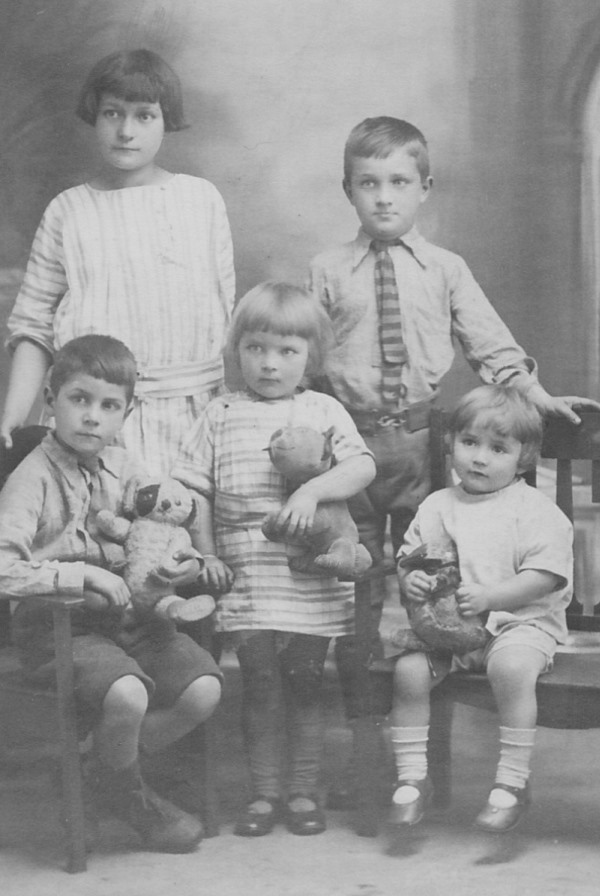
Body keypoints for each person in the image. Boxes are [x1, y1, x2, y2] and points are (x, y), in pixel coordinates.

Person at [308, 115, 597, 807]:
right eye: (368, 183)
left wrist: (535, 393)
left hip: (418, 447)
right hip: (347, 446)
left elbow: (490, 345)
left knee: (423, 589)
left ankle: (423, 760)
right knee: (355, 601)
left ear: (424, 189)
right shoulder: (325, 269)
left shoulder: (445, 270)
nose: (384, 197)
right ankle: (366, 747)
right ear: (347, 189)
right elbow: (302, 360)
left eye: (399, 183)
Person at [0, 335, 222, 853]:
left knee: (204, 690)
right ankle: (128, 791)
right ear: (50, 398)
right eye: (79, 399)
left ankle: (97, 772)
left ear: (127, 411)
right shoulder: (32, 477)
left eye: (109, 405)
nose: (92, 417)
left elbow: (161, 522)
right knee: (128, 692)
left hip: (134, 622)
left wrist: (181, 558)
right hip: (62, 627)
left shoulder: (126, 466)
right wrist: (79, 577)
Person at [172, 282, 376, 837]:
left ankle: (303, 791)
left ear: (311, 355)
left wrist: (310, 494)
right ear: (237, 348)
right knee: (260, 682)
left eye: (287, 351)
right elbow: (198, 495)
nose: (269, 363)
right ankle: (264, 793)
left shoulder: (322, 408)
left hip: (310, 569)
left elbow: (362, 468)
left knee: (307, 679)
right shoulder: (220, 413)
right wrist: (208, 556)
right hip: (248, 570)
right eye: (257, 347)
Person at [0, 48, 235, 477]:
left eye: (144, 116)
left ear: (167, 120)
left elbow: (222, 315)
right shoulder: (67, 210)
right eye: (112, 113)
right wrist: (14, 415)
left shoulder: (201, 201)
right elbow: (34, 326)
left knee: (185, 534)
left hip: (192, 422)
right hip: (92, 421)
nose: (126, 131)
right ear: (95, 115)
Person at [390, 384, 572, 832]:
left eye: (498, 448)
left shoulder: (534, 509)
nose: (480, 458)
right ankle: (413, 777)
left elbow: (544, 576)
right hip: (449, 631)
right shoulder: (437, 505)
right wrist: (411, 579)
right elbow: (411, 559)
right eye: (470, 442)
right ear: (451, 443)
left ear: (523, 458)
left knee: (510, 669)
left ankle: (511, 782)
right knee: (409, 671)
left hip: (517, 624)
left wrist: (492, 597)